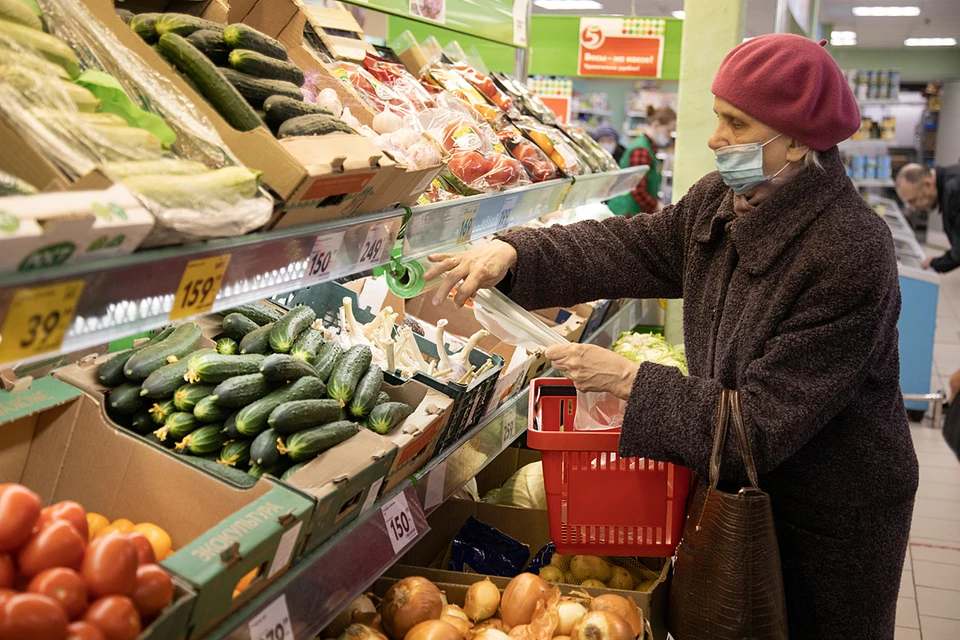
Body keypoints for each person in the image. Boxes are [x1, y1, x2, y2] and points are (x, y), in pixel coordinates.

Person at [426, 34, 916, 638]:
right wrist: (517, 251)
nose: (714, 139)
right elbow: (630, 245)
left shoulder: (850, 250)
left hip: (824, 517)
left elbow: (755, 429)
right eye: (718, 116)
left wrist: (630, 380)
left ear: (796, 141)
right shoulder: (721, 201)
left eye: (735, 124)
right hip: (737, 497)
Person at [606, 106, 677, 216]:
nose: (668, 136)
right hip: (626, 212)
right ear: (656, 125)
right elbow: (638, 189)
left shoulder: (649, 148)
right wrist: (658, 208)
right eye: (668, 131)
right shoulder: (641, 150)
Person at [896, 163, 960, 271]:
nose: (914, 208)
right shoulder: (953, 177)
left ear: (928, 184)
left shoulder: (954, 191)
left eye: (913, 200)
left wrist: (934, 263)